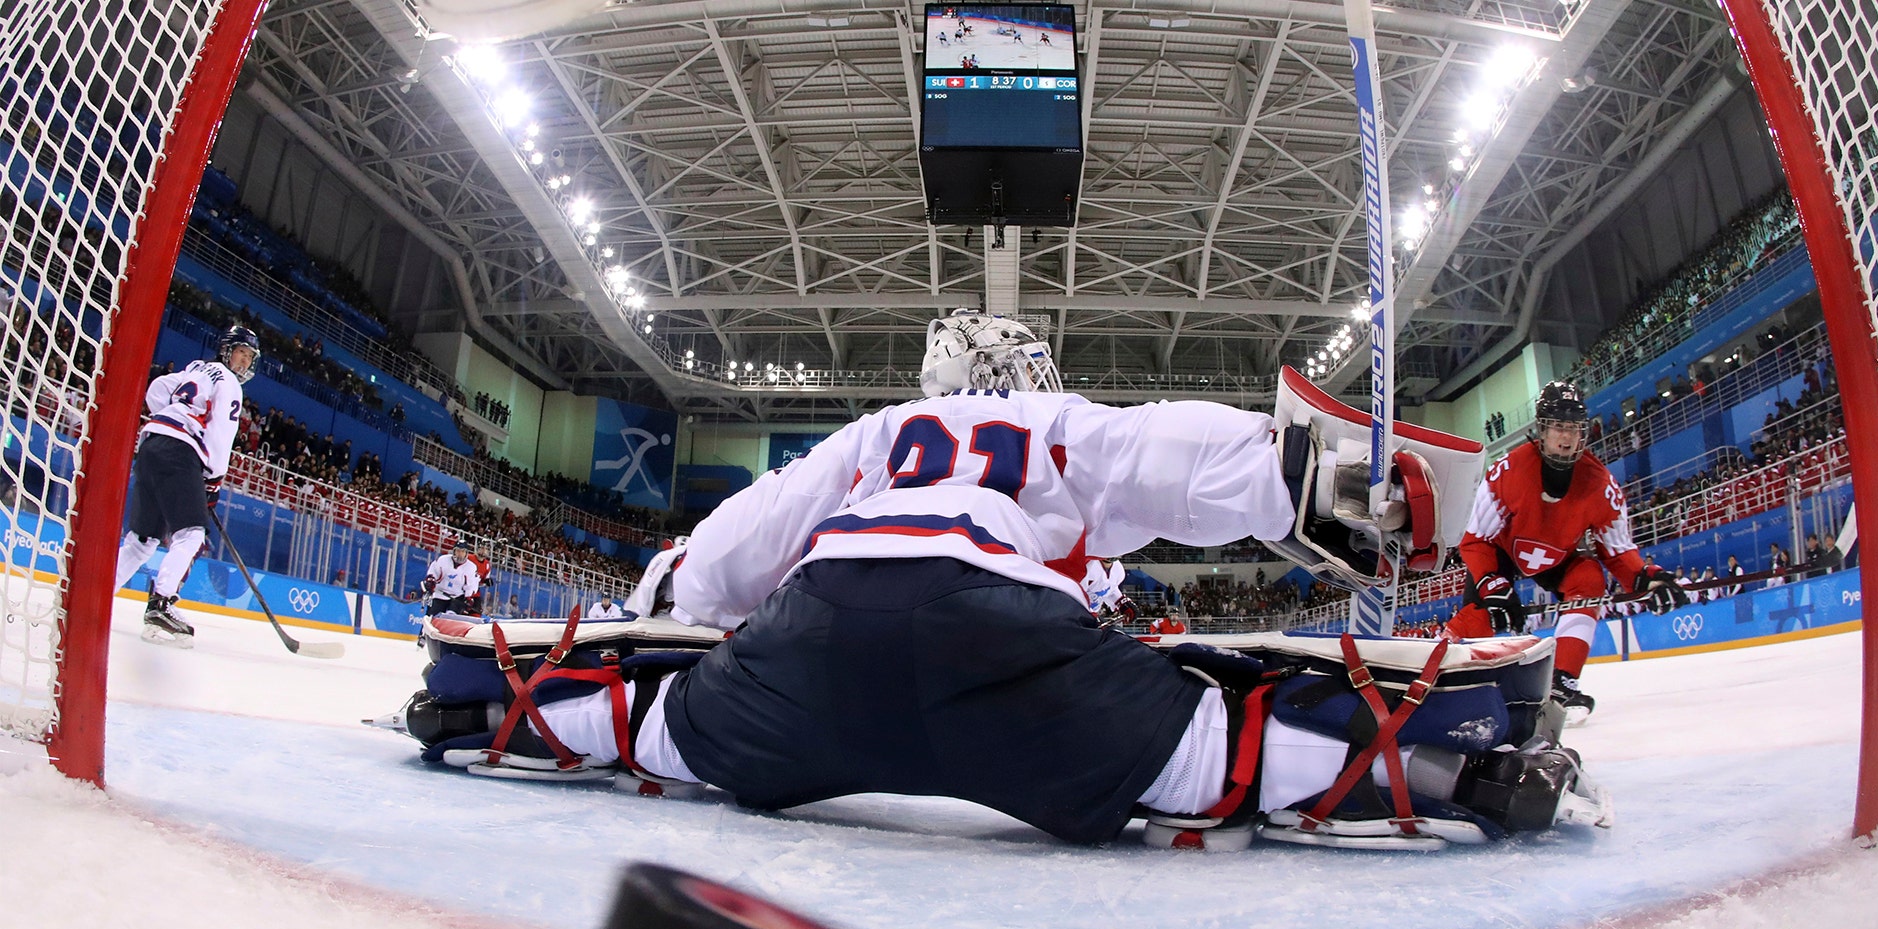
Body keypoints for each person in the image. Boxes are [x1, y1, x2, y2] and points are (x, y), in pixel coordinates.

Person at [391, 312, 1607, 851]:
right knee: (1210, 747)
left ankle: (472, 710)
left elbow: (735, 551)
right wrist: (1326, 484)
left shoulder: (879, 434)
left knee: (662, 722)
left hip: (823, 632)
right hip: (998, 646)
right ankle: (1467, 775)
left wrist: (664, 612)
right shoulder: (1052, 422)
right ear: (1023, 372)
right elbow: (1170, 459)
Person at [1441, 381, 1686, 726]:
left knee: (1588, 579)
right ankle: (1438, 663)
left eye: (1573, 428)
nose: (1566, 437)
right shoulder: (1507, 472)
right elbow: (1476, 539)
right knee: (1480, 616)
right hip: (1503, 552)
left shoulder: (1601, 484)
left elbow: (1618, 551)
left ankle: (1560, 682)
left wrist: (1648, 579)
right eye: (1558, 426)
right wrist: (1492, 584)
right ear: (1542, 429)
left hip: (1559, 556)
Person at [112, 325, 259, 646]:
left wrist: (172, 417)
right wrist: (213, 480)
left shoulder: (196, 368)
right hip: (180, 451)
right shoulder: (231, 384)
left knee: (143, 541)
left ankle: (96, 594)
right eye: (241, 353)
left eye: (249, 357)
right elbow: (221, 432)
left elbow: (157, 389)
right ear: (226, 350)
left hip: (151, 441)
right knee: (191, 534)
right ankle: (161, 606)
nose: (244, 362)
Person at [419, 542, 479, 643]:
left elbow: (471, 585)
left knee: (450, 617)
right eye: (458, 551)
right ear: (454, 551)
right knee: (432, 616)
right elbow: (433, 572)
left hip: (457, 596)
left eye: (462, 552)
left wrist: (469, 598)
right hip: (440, 593)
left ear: (466, 553)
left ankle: (444, 641)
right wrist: (430, 580)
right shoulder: (443, 560)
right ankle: (423, 636)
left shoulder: (471, 567)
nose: (460, 554)